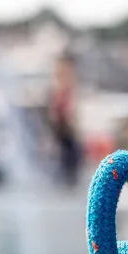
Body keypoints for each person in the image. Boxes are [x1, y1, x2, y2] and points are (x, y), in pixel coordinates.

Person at [47, 52, 81, 186]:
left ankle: (67, 179)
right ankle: (65, 179)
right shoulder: (62, 81)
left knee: (70, 153)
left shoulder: (65, 81)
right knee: (67, 152)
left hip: (64, 122)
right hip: (62, 122)